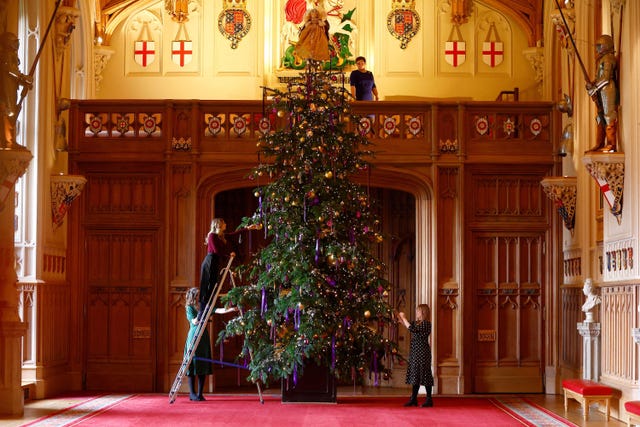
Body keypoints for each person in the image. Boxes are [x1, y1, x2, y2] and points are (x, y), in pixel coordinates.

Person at [586, 34, 618, 152]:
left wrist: (594, 88)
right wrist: (591, 84)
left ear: (606, 45)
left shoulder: (609, 58)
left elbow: (605, 78)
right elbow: (599, 77)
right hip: (601, 90)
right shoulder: (601, 59)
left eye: (600, 46)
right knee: (600, 117)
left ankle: (611, 144)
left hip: (607, 89)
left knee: (608, 116)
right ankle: (600, 143)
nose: (597, 48)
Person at [397, 304, 434, 407]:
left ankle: (429, 399)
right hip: (415, 352)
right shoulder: (417, 323)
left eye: (418, 311)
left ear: (423, 312)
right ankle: (413, 398)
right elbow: (408, 325)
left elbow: (412, 329)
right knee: (415, 374)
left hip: (423, 352)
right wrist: (399, 317)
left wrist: (404, 318)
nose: (416, 313)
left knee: (425, 373)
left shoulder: (426, 324)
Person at [0, 31, 32, 149]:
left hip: (11, 89)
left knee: (13, 112)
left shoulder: (12, 56)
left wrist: (25, 81)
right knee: (7, 112)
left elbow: (15, 73)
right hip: (5, 90)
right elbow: (9, 71)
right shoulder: (5, 56)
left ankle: (11, 139)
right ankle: (7, 140)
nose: (17, 44)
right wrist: (24, 79)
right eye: (14, 42)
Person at [183, 287, 212, 401]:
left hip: (203, 337)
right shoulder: (189, 308)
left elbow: (216, 310)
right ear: (193, 297)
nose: (199, 297)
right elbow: (194, 321)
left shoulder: (203, 306)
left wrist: (231, 309)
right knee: (192, 364)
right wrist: (201, 314)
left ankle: (200, 393)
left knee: (202, 364)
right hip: (194, 337)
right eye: (197, 295)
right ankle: (192, 393)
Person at [199, 218, 227, 319]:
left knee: (213, 287)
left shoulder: (220, 237)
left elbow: (233, 234)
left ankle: (207, 311)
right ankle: (201, 312)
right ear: (218, 224)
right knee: (206, 286)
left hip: (215, 262)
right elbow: (216, 251)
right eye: (223, 222)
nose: (225, 224)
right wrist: (228, 256)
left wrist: (247, 228)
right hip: (210, 262)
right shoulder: (212, 236)